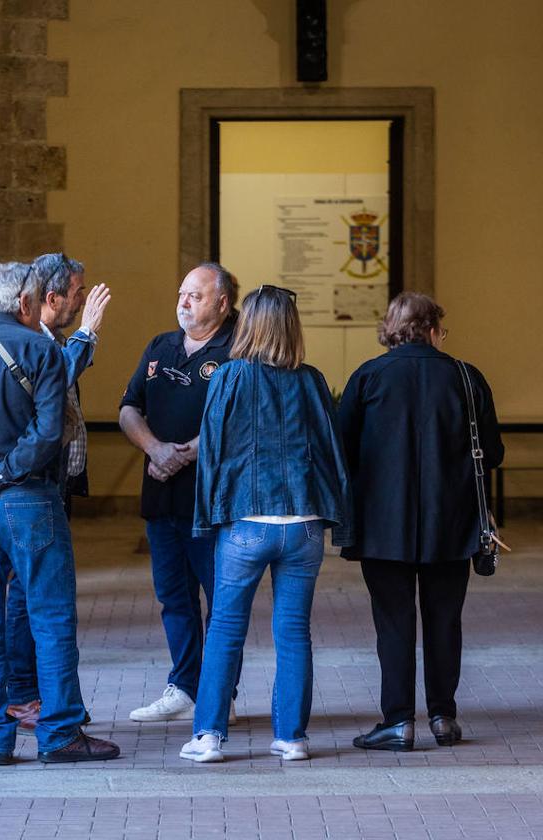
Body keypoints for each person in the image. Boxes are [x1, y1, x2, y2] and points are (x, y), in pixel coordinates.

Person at [0, 261, 120, 766]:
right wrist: (0, 477)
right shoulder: (39, 348)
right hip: (26, 499)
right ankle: (60, 733)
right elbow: (46, 434)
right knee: (50, 615)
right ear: (23, 303)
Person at [179, 285, 352, 764]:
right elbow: (332, 454)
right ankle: (292, 737)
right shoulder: (312, 380)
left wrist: (207, 518)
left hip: (245, 521)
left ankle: (209, 736)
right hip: (304, 525)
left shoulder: (230, 377)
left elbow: (211, 453)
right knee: (294, 631)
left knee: (225, 629)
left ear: (248, 325)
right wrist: (340, 518)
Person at [340, 292, 503, 752]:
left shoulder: (369, 376)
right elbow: (493, 453)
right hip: (451, 523)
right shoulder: (466, 378)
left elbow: (342, 448)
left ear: (393, 330)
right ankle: (442, 716)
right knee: (445, 619)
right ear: (433, 329)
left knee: (393, 622)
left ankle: (396, 721)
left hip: (381, 525)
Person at [119, 263, 240, 724]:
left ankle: (219, 692)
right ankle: (185, 686)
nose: (184, 302)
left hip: (212, 501)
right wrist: (154, 448)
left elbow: (239, 419)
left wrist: (183, 454)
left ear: (222, 303)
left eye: (196, 295)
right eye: (182, 293)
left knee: (221, 599)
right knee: (174, 596)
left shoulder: (238, 351)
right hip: (161, 496)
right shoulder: (160, 346)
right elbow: (129, 406)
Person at [4, 252, 110, 731]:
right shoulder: (32, 341)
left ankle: (43, 694)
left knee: (39, 594)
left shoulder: (53, 338)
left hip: (54, 483)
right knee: (29, 597)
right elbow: (56, 380)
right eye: (79, 294)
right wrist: (89, 332)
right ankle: (25, 695)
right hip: (30, 484)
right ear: (52, 298)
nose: (83, 301)